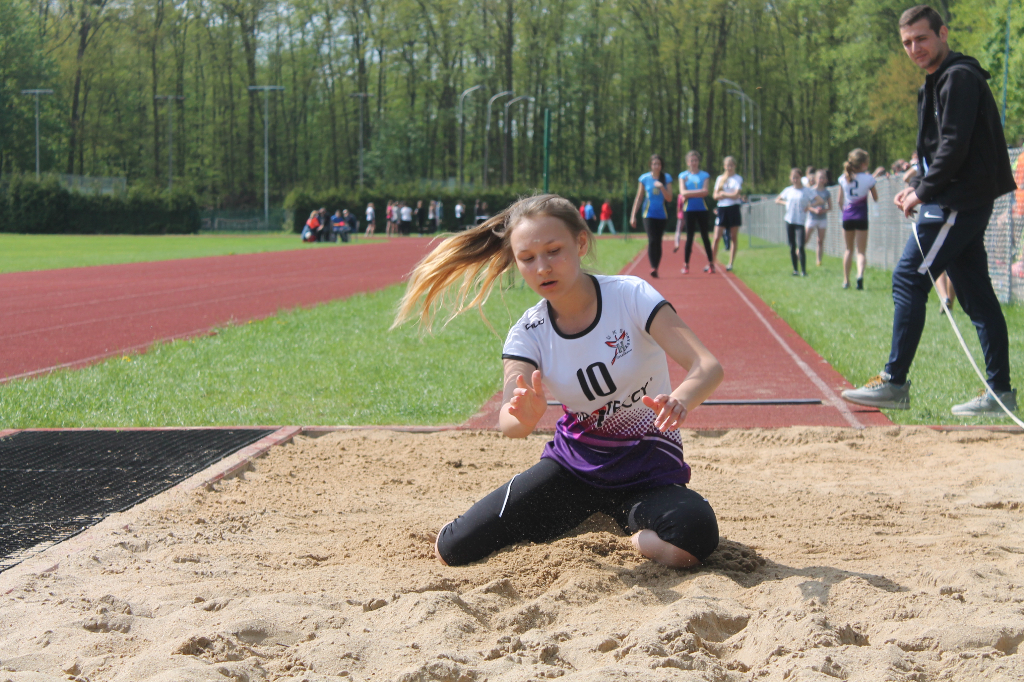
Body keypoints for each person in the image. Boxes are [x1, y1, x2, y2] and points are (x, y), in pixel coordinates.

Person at [393, 194, 723, 568]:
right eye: (527, 258)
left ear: (580, 243)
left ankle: (635, 537)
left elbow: (707, 366)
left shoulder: (631, 296)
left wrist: (680, 399)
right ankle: (588, 516)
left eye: (553, 251)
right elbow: (510, 422)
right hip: (572, 474)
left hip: (649, 475)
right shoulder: (528, 334)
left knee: (695, 536)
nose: (542, 267)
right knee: (453, 548)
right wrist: (524, 416)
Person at [841, 4, 1017, 416]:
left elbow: (955, 146)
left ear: (943, 34)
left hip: (957, 201)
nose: (915, 48)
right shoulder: (938, 81)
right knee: (977, 297)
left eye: (921, 38)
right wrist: (918, 179)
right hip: (953, 198)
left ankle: (894, 381)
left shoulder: (958, 77)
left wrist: (924, 190)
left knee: (907, 278)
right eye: (907, 42)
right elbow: (943, 147)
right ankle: (1000, 394)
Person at [837, 149, 878, 289]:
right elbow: (875, 197)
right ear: (863, 164)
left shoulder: (843, 178)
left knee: (848, 249)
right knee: (861, 251)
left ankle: (846, 280)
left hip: (847, 216)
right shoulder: (868, 178)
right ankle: (860, 275)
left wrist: (844, 211)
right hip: (861, 216)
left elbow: (839, 200)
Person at [630, 155, 675, 278]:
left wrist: (662, 188)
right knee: (652, 240)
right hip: (648, 214)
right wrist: (633, 215)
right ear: (651, 165)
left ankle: (656, 266)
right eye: (654, 163)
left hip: (661, 214)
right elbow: (639, 198)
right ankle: (653, 267)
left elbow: (670, 198)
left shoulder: (666, 178)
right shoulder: (644, 178)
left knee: (658, 241)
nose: (656, 166)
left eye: (659, 164)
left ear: (661, 166)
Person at [674, 151, 712, 274]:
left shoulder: (704, 175)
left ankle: (711, 263)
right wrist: (698, 192)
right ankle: (686, 265)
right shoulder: (683, 176)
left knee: (705, 236)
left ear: (698, 161)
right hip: (688, 210)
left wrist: (690, 193)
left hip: (702, 209)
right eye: (691, 160)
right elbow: (683, 193)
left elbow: (706, 192)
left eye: (695, 160)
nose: (693, 163)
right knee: (689, 237)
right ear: (687, 162)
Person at [711, 156, 744, 272]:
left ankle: (730, 263)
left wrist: (724, 194)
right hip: (722, 209)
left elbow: (736, 195)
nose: (729, 167)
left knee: (733, 237)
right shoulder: (720, 178)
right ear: (724, 166)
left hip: (733, 208)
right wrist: (723, 195)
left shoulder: (738, 178)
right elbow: (714, 195)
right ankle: (711, 262)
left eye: (731, 165)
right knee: (716, 237)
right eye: (727, 165)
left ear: (734, 166)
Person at [775, 168, 808, 276]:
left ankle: (803, 270)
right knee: (792, 246)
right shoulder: (788, 190)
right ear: (790, 178)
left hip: (800, 221)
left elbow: (818, 200)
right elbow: (777, 200)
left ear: (801, 178)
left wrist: (810, 207)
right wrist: (786, 203)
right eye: (793, 178)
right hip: (790, 220)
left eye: (797, 177)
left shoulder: (806, 190)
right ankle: (795, 270)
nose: (795, 180)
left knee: (801, 245)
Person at [804, 170, 832, 267]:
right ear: (815, 179)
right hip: (812, 218)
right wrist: (814, 210)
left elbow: (830, 207)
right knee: (805, 239)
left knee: (820, 240)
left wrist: (822, 210)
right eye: (820, 177)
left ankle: (819, 261)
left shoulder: (826, 192)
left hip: (822, 219)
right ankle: (798, 256)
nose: (821, 180)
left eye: (823, 178)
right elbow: (807, 206)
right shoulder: (810, 191)